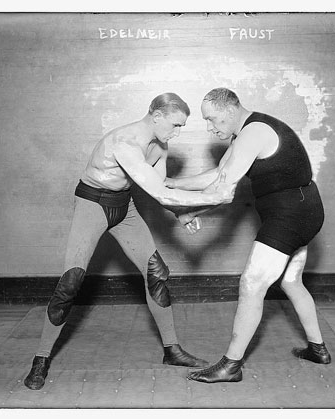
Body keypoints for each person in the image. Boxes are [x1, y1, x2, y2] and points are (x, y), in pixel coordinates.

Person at [23, 92, 235, 390]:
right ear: (157, 116)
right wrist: (214, 197)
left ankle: (172, 350)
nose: (176, 133)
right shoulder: (124, 142)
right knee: (71, 282)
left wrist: (181, 214)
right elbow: (159, 192)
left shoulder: (160, 148)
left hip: (125, 207)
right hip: (93, 205)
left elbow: (157, 188)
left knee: (157, 273)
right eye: (174, 125)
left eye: (181, 127)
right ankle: (41, 359)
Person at [165, 88, 330, 384]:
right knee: (291, 281)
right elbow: (219, 175)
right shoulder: (245, 135)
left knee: (251, 283)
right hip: (303, 209)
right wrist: (172, 183)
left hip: (291, 215)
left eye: (212, 119)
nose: (210, 127)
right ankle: (318, 349)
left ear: (230, 110)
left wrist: (177, 204)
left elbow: (223, 193)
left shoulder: (254, 132)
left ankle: (231, 365)